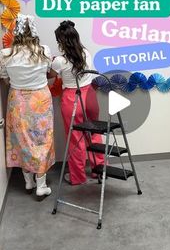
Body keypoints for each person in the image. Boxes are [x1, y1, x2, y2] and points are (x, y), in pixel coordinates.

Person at [0, 13, 55, 200]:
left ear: (16, 31)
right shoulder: (44, 51)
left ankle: (28, 182)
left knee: (22, 140)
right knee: (42, 139)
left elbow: (5, 79)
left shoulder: (5, 54)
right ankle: (41, 184)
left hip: (18, 101)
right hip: (40, 99)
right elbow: (49, 73)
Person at [49, 20, 104, 185]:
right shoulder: (87, 52)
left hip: (73, 99)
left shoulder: (59, 61)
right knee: (94, 135)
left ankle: (78, 177)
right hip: (91, 97)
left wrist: (50, 64)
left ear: (61, 41)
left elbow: (49, 76)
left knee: (75, 139)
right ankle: (99, 171)